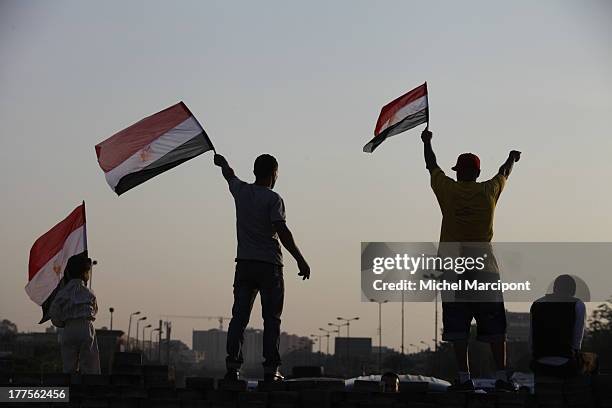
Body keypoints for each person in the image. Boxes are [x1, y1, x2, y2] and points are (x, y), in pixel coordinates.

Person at [421, 128, 521, 392]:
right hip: (485, 271)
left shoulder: (448, 191)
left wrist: (427, 142)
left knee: (457, 328)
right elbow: (504, 172)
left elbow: (431, 165)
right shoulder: (489, 191)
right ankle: (502, 376)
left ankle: (464, 378)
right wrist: (512, 157)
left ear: (456, 173)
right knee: (495, 327)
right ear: (477, 174)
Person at [214, 153, 311, 382]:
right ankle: (270, 369)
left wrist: (223, 163)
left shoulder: (241, 191)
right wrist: (300, 258)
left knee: (239, 317)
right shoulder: (273, 199)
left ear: (256, 171)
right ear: (273, 173)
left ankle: (233, 367)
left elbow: (229, 176)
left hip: (245, 264)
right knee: (271, 319)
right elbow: (283, 232)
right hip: (270, 267)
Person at [530, 275, 598, 378]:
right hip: (565, 363)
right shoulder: (578, 304)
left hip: (538, 363)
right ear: (573, 291)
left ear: (554, 288)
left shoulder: (537, 303)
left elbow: (531, 339)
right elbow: (576, 342)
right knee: (594, 359)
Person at [49, 253, 100, 374]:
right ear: (86, 274)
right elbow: (95, 310)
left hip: (68, 329)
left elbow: (54, 312)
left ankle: (69, 390)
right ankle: (87, 391)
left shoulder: (63, 293)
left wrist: (63, 324)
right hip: (85, 328)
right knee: (89, 367)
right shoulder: (89, 293)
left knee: (69, 367)